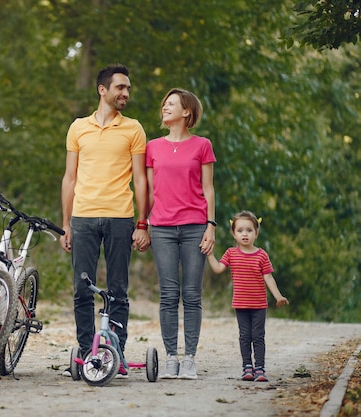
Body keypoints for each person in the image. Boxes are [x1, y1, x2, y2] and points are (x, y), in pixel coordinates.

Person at [60, 63, 150, 378]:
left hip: (120, 217)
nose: (125, 93)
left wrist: (143, 223)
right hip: (83, 217)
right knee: (81, 289)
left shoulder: (134, 128)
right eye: (120, 88)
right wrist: (66, 223)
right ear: (103, 90)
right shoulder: (78, 128)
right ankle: (88, 355)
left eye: (127, 88)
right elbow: (69, 178)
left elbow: (140, 180)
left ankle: (116, 353)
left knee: (117, 290)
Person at [145, 88, 216, 380]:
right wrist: (141, 224)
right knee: (168, 295)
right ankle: (171, 357)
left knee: (191, 294)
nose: (165, 107)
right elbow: (149, 191)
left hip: (195, 226)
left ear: (186, 112)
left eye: (171, 104)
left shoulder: (202, 145)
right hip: (161, 228)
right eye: (164, 103)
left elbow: (209, 189)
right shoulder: (152, 147)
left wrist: (211, 225)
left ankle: (190, 359)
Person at [207, 210, 289, 382]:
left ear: (256, 233)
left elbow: (268, 277)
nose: (245, 234)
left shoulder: (261, 255)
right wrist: (209, 255)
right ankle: (247, 367)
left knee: (258, 336)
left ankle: (260, 368)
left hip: (259, 305)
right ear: (234, 233)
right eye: (240, 230)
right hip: (241, 304)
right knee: (244, 336)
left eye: (249, 230)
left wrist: (278, 296)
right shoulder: (231, 253)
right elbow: (218, 269)